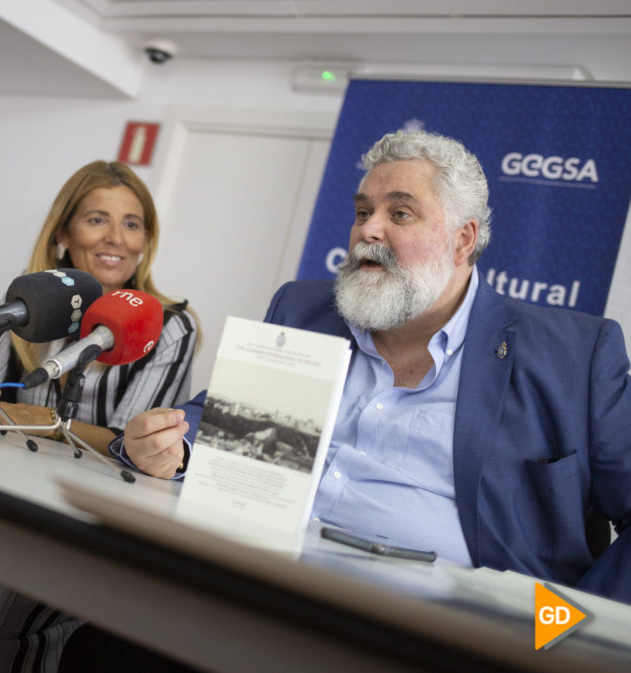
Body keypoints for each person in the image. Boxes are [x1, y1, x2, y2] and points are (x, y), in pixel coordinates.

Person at [118, 129, 631, 599]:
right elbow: (231, 419)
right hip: (260, 581)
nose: (369, 230)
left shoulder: (573, 356)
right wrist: (173, 445)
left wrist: (579, 633)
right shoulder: (305, 309)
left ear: (463, 240)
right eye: (363, 212)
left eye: (400, 214)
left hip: (443, 632)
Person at [0, 160, 199, 673]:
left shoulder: (169, 326)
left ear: (146, 239)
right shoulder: (34, 304)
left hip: (87, 524)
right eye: (97, 219)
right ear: (64, 232)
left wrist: (12, 414)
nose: (117, 237)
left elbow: (127, 445)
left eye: (132, 223)